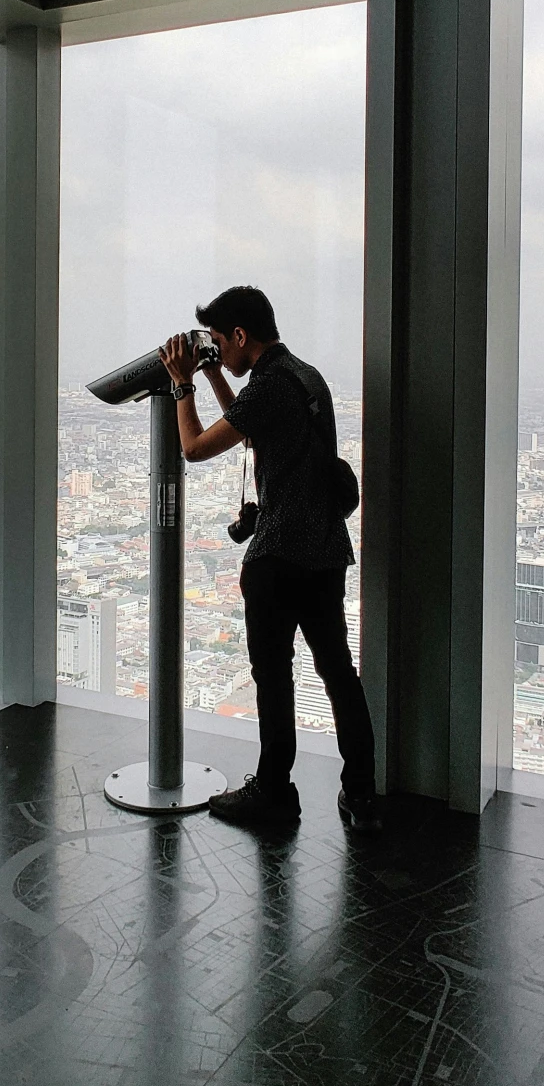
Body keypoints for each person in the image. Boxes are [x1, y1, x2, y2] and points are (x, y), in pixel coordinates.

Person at [159, 284, 382, 833]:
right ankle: (361, 795)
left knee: (273, 679)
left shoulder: (270, 387)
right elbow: (251, 423)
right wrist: (214, 374)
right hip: (326, 552)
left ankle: (275, 792)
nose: (216, 351)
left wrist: (183, 382)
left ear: (240, 335)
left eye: (218, 342)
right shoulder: (306, 377)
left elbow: (193, 446)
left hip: (279, 554)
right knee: (339, 675)